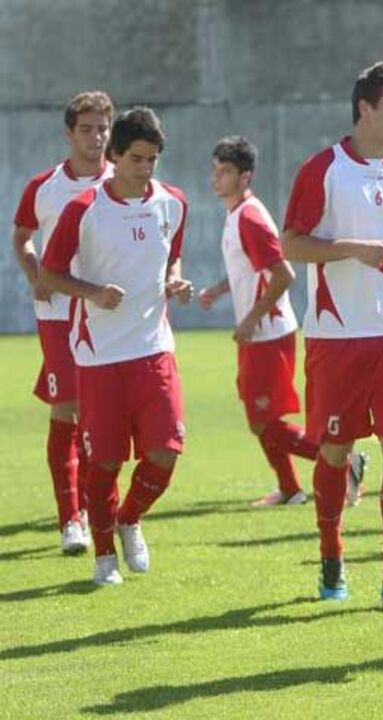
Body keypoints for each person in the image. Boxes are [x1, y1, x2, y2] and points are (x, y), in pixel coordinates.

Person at [282, 60, 383, 609]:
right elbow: (291, 244)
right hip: (336, 338)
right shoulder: (324, 169)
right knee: (335, 453)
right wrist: (353, 249)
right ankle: (332, 555)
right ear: (364, 108)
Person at [39, 107, 193, 585]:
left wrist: (174, 281)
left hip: (154, 351)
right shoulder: (83, 209)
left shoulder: (173, 203)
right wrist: (93, 293)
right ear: (115, 157)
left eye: (152, 160)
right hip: (100, 357)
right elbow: (49, 274)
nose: (146, 169)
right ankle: (104, 555)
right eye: (137, 159)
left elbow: (172, 257)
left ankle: (128, 519)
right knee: (103, 464)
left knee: (166, 453)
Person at [12, 90, 114, 554]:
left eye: (102, 128)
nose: (96, 137)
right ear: (70, 133)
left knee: (102, 419)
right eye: (87, 128)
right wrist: (37, 277)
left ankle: (98, 511)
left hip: (108, 317)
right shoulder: (44, 187)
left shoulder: (124, 182)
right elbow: (21, 238)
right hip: (57, 314)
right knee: (66, 411)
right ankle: (69, 520)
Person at [198, 136, 315, 507]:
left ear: (245, 176)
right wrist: (219, 290)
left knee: (263, 419)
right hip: (259, 333)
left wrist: (250, 320)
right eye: (215, 170)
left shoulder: (249, 217)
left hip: (268, 333)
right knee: (258, 418)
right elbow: (251, 270)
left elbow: (284, 275)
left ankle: (341, 462)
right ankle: (291, 489)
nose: (216, 179)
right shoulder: (237, 214)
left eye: (226, 172)